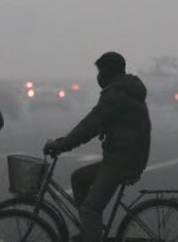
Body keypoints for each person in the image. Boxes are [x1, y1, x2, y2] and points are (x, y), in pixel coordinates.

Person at [43, 51, 151, 242]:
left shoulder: (117, 94)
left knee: (90, 209)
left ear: (108, 71)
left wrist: (62, 145)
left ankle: (91, 232)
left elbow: (90, 125)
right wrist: (65, 142)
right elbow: (94, 124)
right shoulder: (124, 90)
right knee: (79, 178)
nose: (98, 76)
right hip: (124, 156)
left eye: (100, 71)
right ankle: (90, 230)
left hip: (122, 160)